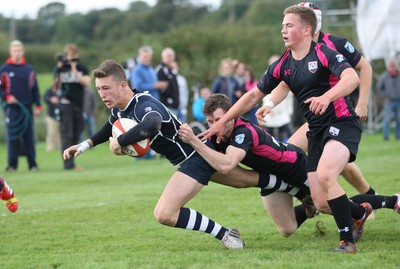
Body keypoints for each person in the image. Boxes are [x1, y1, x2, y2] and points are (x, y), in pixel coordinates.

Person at [201, 5, 367, 253]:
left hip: (341, 122)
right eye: (282, 26)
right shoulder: (283, 64)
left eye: (289, 25)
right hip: (317, 130)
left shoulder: (324, 53)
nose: (283, 30)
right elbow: (252, 95)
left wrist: (327, 97)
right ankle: (360, 212)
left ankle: (347, 242)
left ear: (307, 29)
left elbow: (352, 78)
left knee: (325, 175)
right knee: (320, 201)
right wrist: (226, 120)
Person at [63, 60, 254, 249]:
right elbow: (111, 125)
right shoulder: (120, 108)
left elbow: (152, 124)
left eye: (106, 88)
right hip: (192, 158)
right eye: (98, 89)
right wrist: (85, 144)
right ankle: (282, 181)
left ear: (122, 85)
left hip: (194, 157)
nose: (102, 94)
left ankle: (225, 235)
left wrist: (119, 144)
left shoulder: (143, 104)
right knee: (252, 180)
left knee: (164, 213)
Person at [180, 93, 400, 239]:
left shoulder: (242, 132)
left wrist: (194, 141)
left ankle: (391, 201)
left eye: (218, 119)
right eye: (209, 122)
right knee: (287, 229)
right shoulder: (218, 135)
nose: (213, 126)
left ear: (231, 115)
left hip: (295, 167)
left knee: (327, 204)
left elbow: (227, 165)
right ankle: (308, 207)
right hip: (272, 178)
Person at [0, 40, 41, 172]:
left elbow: (35, 90)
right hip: (11, 109)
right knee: (13, 137)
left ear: (23, 52)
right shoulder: (4, 69)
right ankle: (12, 165)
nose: (17, 53)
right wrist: (7, 96)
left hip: (27, 109)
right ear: (11, 52)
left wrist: (38, 106)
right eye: (14, 51)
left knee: (29, 137)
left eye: (19, 51)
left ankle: (32, 164)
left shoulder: (29, 69)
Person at [55, 43, 90, 170]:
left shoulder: (82, 68)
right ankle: (68, 164)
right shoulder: (61, 68)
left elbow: (86, 83)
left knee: (77, 132)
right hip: (65, 105)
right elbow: (55, 87)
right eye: (70, 56)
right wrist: (59, 69)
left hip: (78, 105)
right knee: (67, 134)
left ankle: (72, 160)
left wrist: (75, 70)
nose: (72, 59)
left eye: (74, 56)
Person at [377, 58, 400, 140]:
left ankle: (398, 136)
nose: (392, 68)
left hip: (399, 102)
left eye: (393, 66)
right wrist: (384, 97)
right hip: (388, 102)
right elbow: (379, 89)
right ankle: (386, 137)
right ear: (388, 67)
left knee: (399, 120)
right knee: (386, 120)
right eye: (391, 66)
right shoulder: (384, 77)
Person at [155, 47, 180, 116]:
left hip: (175, 105)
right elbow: (158, 85)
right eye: (168, 56)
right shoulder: (160, 69)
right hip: (166, 105)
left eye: (172, 56)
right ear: (163, 57)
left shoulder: (171, 70)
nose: (170, 58)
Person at [43, 82, 61, 151]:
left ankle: (58, 146)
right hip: (51, 115)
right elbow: (45, 98)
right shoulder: (50, 90)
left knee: (59, 133)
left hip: (60, 115)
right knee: (51, 132)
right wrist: (51, 99)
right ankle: (50, 147)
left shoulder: (61, 91)